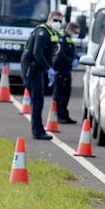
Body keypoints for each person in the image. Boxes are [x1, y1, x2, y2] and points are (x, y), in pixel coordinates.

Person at [20, 11, 62, 140]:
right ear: (49, 19)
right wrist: (48, 69)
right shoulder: (42, 32)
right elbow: (37, 53)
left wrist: (49, 68)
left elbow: (50, 52)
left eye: (60, 21)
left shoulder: (51, 33)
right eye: (55, 20)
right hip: (31, 68)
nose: (58, 23)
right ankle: (37, 131)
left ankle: (38, 129)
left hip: (38, 68)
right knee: (37, 100)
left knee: (38, 99)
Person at [53, 22, 80, 124]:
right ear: (70, 29)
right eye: (75, 32)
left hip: (67, 69)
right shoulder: (61, 38)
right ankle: (59, 115)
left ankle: (64, 114)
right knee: (60, 94)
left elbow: (72, 52)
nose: (76, 34)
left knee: (66, 93)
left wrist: (77, 58)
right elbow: (60, 54)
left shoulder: (68, 38)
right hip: (61, 69)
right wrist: (71, 61)